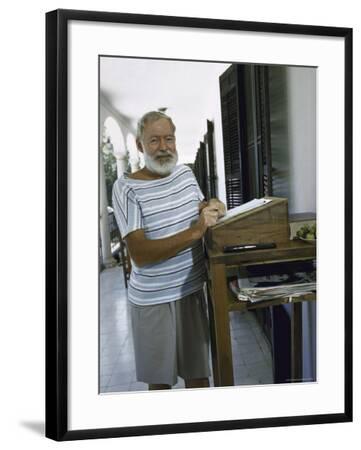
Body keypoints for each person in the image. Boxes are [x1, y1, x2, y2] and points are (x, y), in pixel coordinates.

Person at [112, 111, 226, 390]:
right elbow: (140, 253)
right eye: (154, 141)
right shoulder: (126, 188)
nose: (163, 147)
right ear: (140, 146)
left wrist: (213, 204)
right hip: (153, 301)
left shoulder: (186, 174)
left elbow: (198, 207)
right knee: (161, 386)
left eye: (169, 139)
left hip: (191, 292)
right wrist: (196, 231)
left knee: (199, 378)